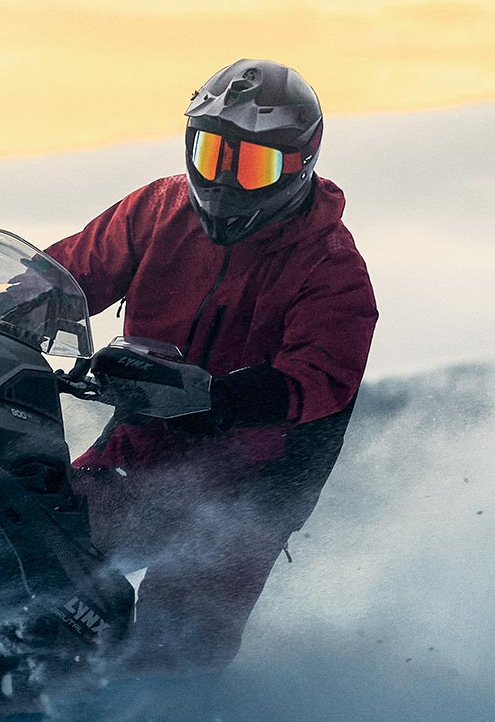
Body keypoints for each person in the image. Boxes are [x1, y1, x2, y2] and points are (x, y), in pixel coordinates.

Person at [47, 58, 378, 670]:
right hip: (139, 451)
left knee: (173, 649)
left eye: (251, 164)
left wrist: (220, 401)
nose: (225, 181)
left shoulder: (331, 267)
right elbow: (68, 275)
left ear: (300, 164)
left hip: (246, 491)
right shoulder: (158, 211)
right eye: (211, 154)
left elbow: (319, 379)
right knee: (26, 540)